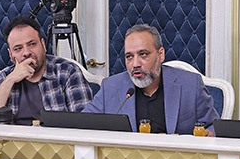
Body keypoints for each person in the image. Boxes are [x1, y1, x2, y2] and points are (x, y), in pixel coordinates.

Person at [82, 24, 217, 135]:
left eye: (143, 54)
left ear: (160, 54)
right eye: (129, 57)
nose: (135, 64)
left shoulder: (190, 85)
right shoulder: (111, 87)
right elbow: (84, 124)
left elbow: (214, 126)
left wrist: (209, 134)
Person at [0, 16, 93, 123]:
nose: (26, 52)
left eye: (32, 44)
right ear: (10, 54)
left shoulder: (67, 72)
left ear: (43, 45)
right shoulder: (5, 77)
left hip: (53, 138)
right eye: (18, 49)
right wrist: (10, 80)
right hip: (14, 138)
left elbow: (84, 124)